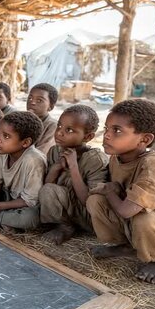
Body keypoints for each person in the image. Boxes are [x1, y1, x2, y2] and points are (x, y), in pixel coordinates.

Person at [87, 99, 155, 285]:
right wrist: (109, 191)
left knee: (144, 218)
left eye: (116, 130)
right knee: (96, 201)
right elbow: (116, 194)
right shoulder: (116, 158)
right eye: (107, 128)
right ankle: (126, 247)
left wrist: (109, 191)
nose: (106, 135)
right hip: (136, 216)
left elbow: (126, 211)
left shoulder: (153, 164)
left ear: (145, 139)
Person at [39, 105, 108, 245]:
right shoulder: (55, 151)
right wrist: (56, 167)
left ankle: (66, 228)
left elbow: (89, 202)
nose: (59, 133)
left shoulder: (95, 159)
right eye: (59, 126)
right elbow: (47, 185)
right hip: (64, 209)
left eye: (69, 130)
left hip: (87, 216)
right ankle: (63, 224)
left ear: (88, 137)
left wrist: (74, 167)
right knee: (47, 190)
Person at [0, 111, 46, 231]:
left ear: (25, 142)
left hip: (25, 205)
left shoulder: (34, 160)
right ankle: (3, 220)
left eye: (6, 136)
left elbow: (30, 201)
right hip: (7, 197)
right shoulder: (1, 150)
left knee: (30, 218)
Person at [27, 82, 58, 155]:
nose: (32, 102)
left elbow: (40, 153)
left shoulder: (52, 126)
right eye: (30, 98)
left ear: (51, 107)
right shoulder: (22, 121)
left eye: (39, 100)